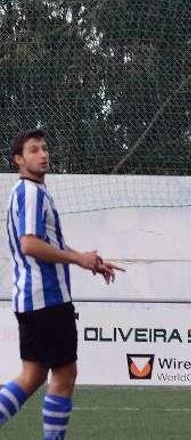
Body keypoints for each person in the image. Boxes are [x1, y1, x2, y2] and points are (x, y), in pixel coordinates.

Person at [0, 128, 123, 440]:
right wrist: (78, 260)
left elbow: (47, 242)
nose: (43, 154)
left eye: (44, 148)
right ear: (18, 159)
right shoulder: (31, 192)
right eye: (33, 150)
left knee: (32, 375)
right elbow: (30, 244)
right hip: (47, 299)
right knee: (64, 374)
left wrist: (86, 259)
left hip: (33, 300)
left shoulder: (27, 192)